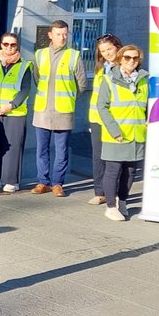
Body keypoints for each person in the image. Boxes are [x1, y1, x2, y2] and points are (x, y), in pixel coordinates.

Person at [31, 20, 88, 197]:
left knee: (61, 150)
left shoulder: (73, 55)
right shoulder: (40, 54)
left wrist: (69, 97)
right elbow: (37, 77)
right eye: (58, 34)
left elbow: (82, 84)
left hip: (63, 110)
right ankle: (43, 182)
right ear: (50, 35)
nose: (62, 37)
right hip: (42, 109)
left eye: (65, 34)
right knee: (42, 149)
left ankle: (57, 183)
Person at [95, 45, 148, 221]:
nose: (131, 61)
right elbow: (102, 107)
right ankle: (111, 206)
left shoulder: (144, 80)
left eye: (135, 58)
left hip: (136, 134)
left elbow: (149, 105)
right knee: (113, 171)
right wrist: (114, 130)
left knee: (131, 172)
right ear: (120, 59)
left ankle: (123, 202)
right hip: (116, 135)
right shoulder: (109, 80)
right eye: (127, 57)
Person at [0, 33, 33, 194]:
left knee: (13, 148)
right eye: (6, 44)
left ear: (17, 46)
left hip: (15, 113)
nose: (9, 47)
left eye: (13, 45)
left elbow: (25, 89)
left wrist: (11, 105)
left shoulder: (25, 65)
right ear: (1, 45)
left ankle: (11, 180)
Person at [86, 34, 123, 207]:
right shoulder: (101, 68)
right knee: (98, 157)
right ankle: (100, 192)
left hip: (116, 120)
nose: (107, 53)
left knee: (115, 158)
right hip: (97, 119)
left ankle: (115, 192)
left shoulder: (126, 67)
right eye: (103, 51)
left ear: (117, 47)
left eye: (109, 49)